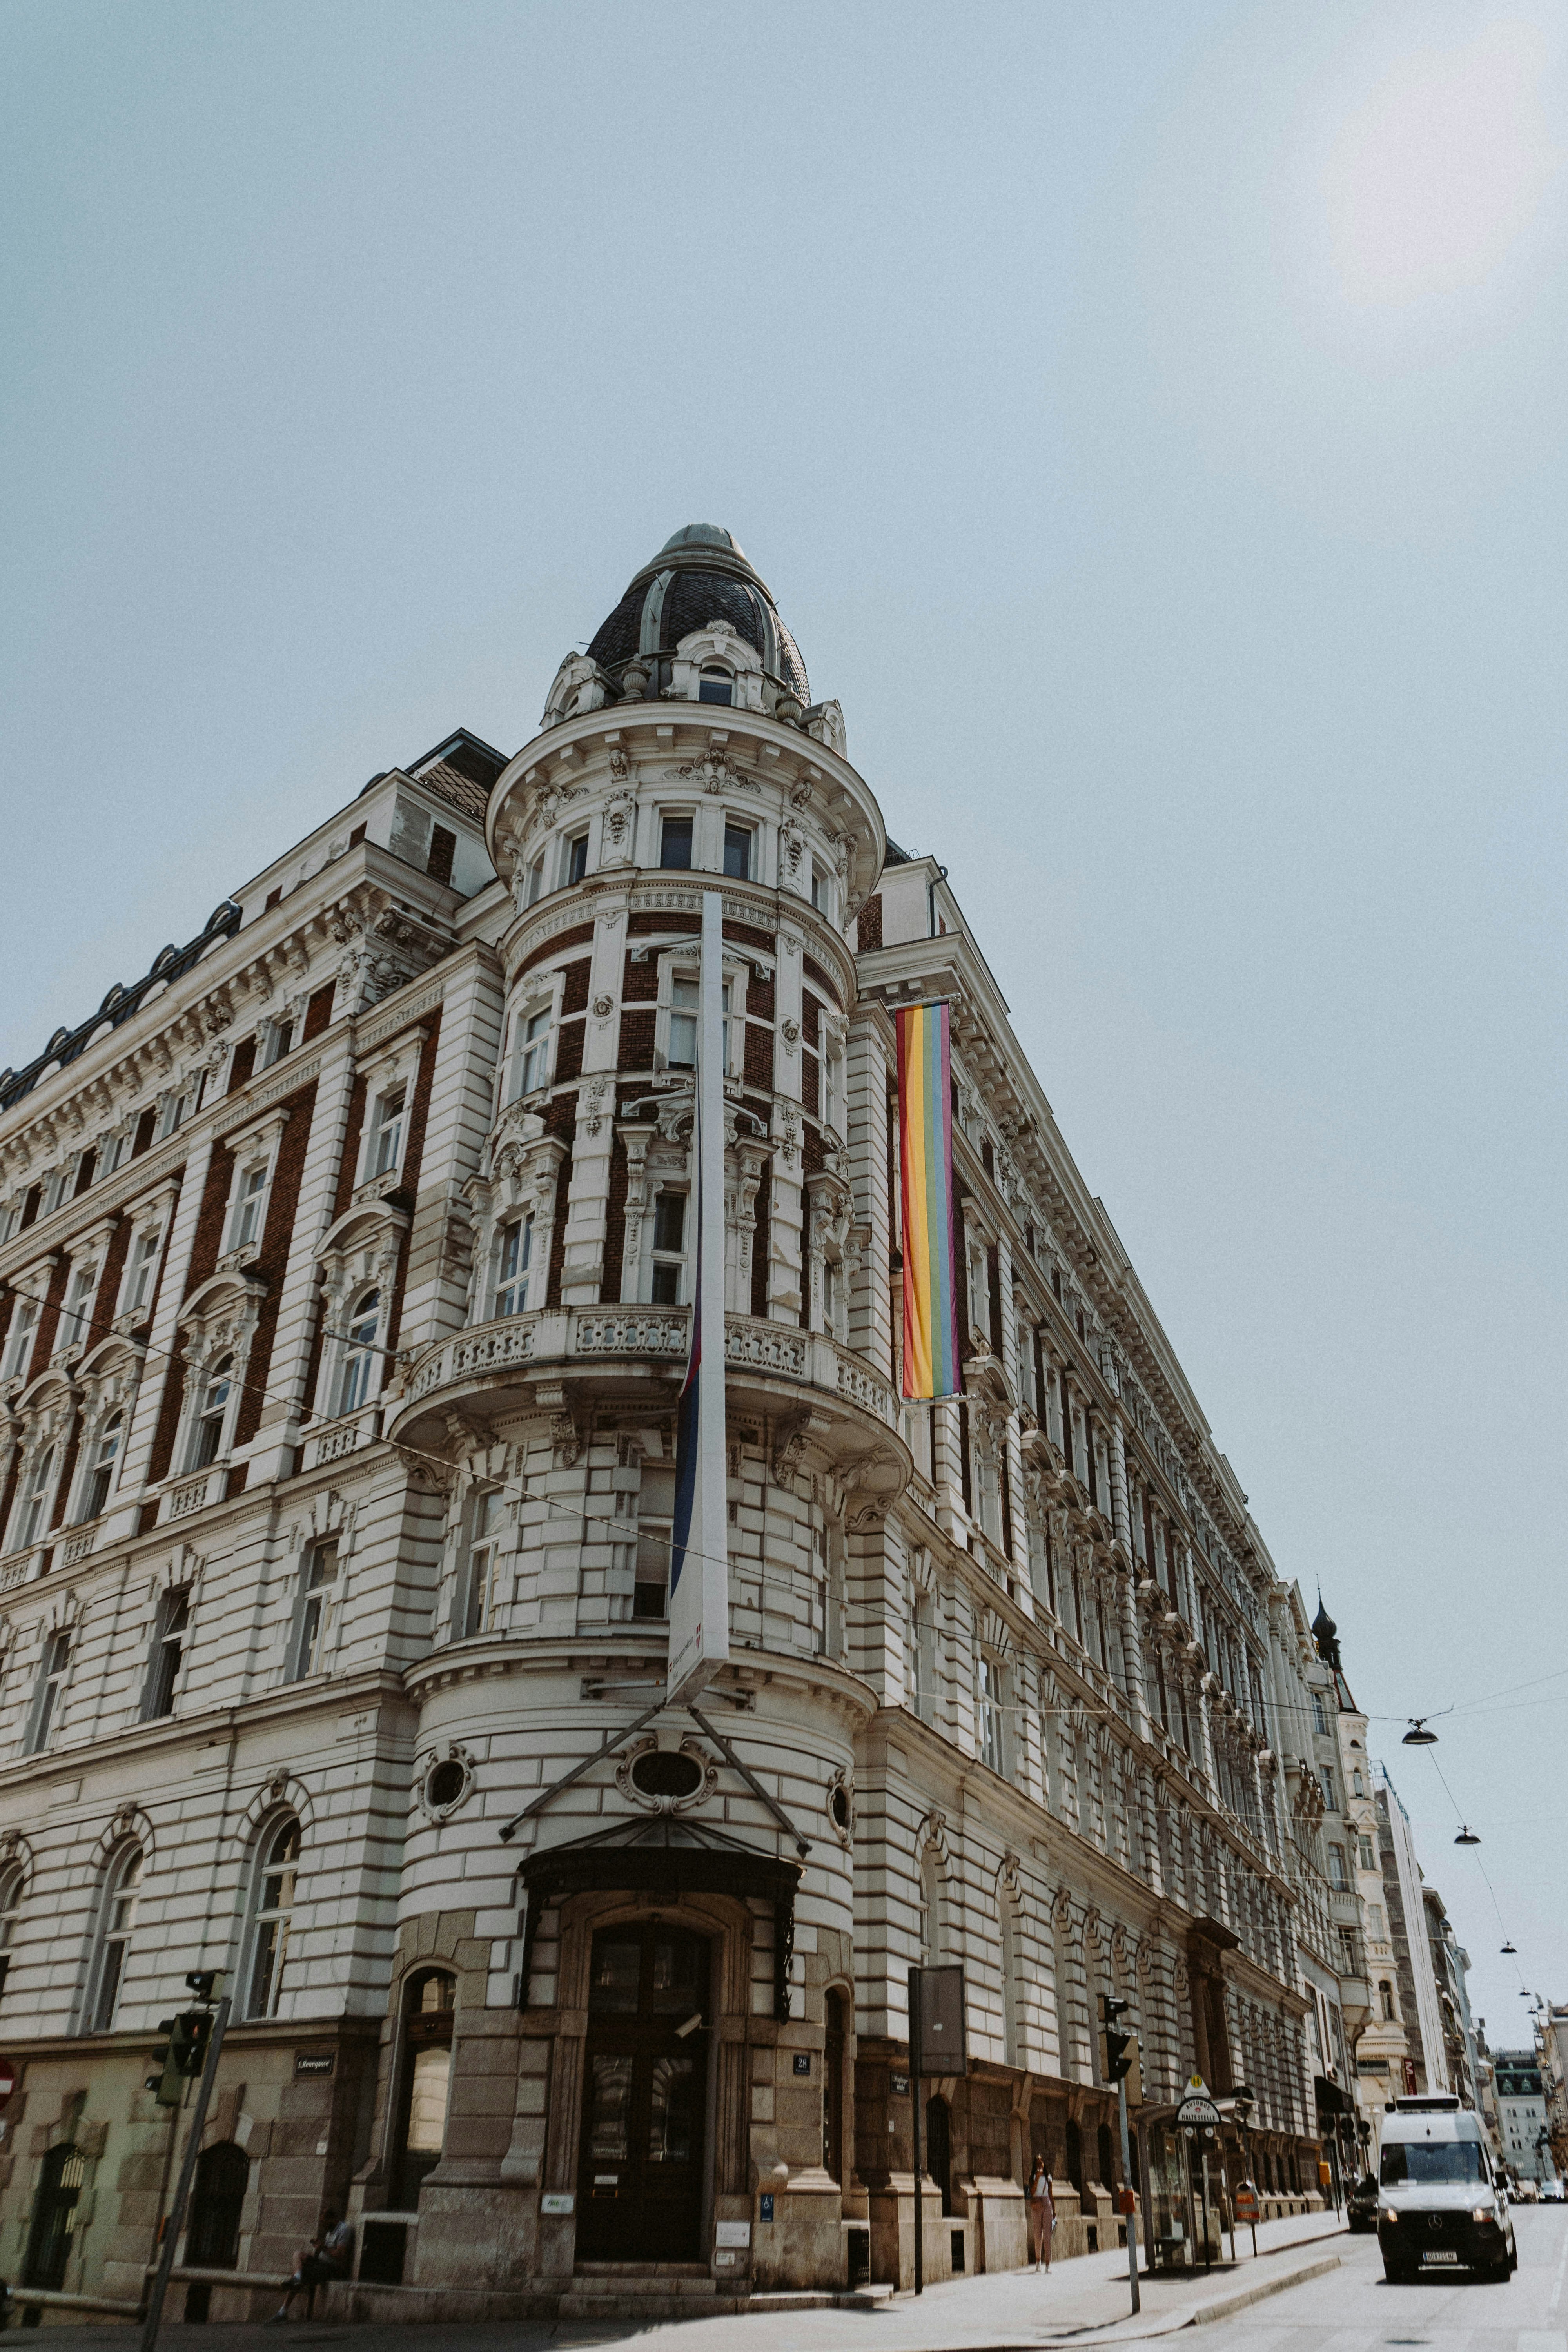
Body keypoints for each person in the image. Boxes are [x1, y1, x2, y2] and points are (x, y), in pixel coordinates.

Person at [269, 2211, 354, 2321]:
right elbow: (327, 2251)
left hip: (332, 2268)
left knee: (301, 2274)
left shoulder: (343, 2230)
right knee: (298, 2255)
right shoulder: (331, 2230)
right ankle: (297, 2278)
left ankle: (283, 2311)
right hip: (322, 2262)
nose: (323, 2226)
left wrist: (323, 2248)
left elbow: (341, 2255)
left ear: (332, 2219)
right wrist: (318, 2249)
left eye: (324, 2223)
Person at [1028, 2157, 1055, 2272]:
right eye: (1037, 2163)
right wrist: (1037, 2178)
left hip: (1047, 2204)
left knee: (1048, 2235)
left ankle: (1048, 2264)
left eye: (1041, 2163)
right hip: (1037, 2204)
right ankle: (1038, 2261)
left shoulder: (1049, 2177)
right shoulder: (1033, 2177)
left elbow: (1051, 2194)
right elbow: (1032, 2192)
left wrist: (1054, 2210)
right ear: (1035, 2165)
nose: (1040, 2165)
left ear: (1044, 2164)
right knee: (1038, 2234)